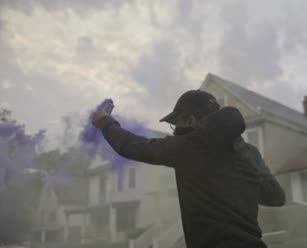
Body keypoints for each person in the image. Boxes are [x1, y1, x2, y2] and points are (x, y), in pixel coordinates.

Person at [92, 89, 285, 248]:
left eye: (177, 123)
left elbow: (132, 146)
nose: (175, 131)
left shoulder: (190, 147)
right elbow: (276, 197)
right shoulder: (248, 152)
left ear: (191, 121)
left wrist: (105, 122)